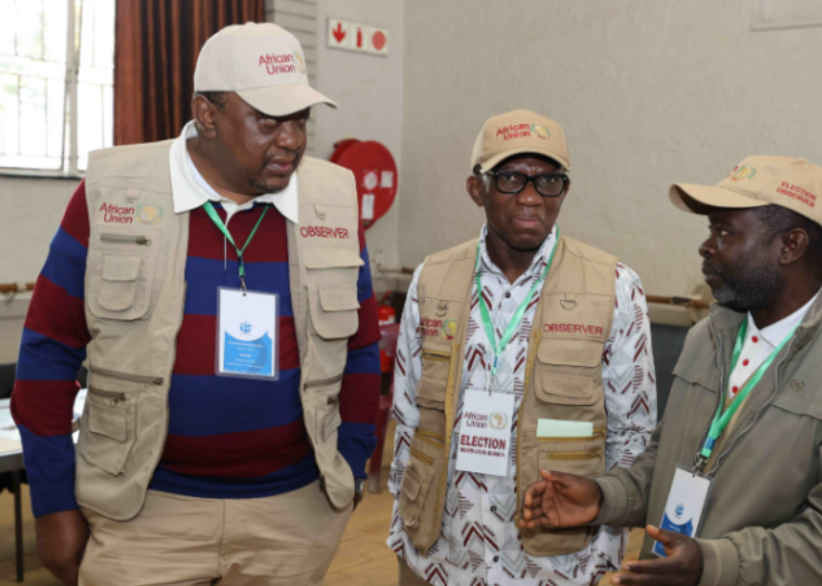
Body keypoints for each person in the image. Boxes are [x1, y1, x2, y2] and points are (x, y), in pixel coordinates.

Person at [11, 22, 381, 586]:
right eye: (268, 120)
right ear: (207, 115)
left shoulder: (332, 199)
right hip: (143, 511)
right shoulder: (113, 193)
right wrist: (54, 501)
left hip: (293, 514)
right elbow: (47, 355)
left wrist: (350, 469)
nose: (291, 140)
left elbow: (360, 350)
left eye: (300, 119)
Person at [521, 155, 822, 586]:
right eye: (709, 231)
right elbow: (667, 461)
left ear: (790, 246)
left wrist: (714, 564)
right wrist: (605, 496)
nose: (706, 246)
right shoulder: (707, 336)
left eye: (723, 232)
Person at [387, 109, 657, 585]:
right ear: (478, 189)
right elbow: (409, 417)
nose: (531, 197)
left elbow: (632, 432)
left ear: (564, 190)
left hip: (555, 561)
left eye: (548, 180)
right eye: (511, 178)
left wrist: (605, 546)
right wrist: (403, 525)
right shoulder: (433, 279)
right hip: (441, 553)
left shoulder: (614, 286)